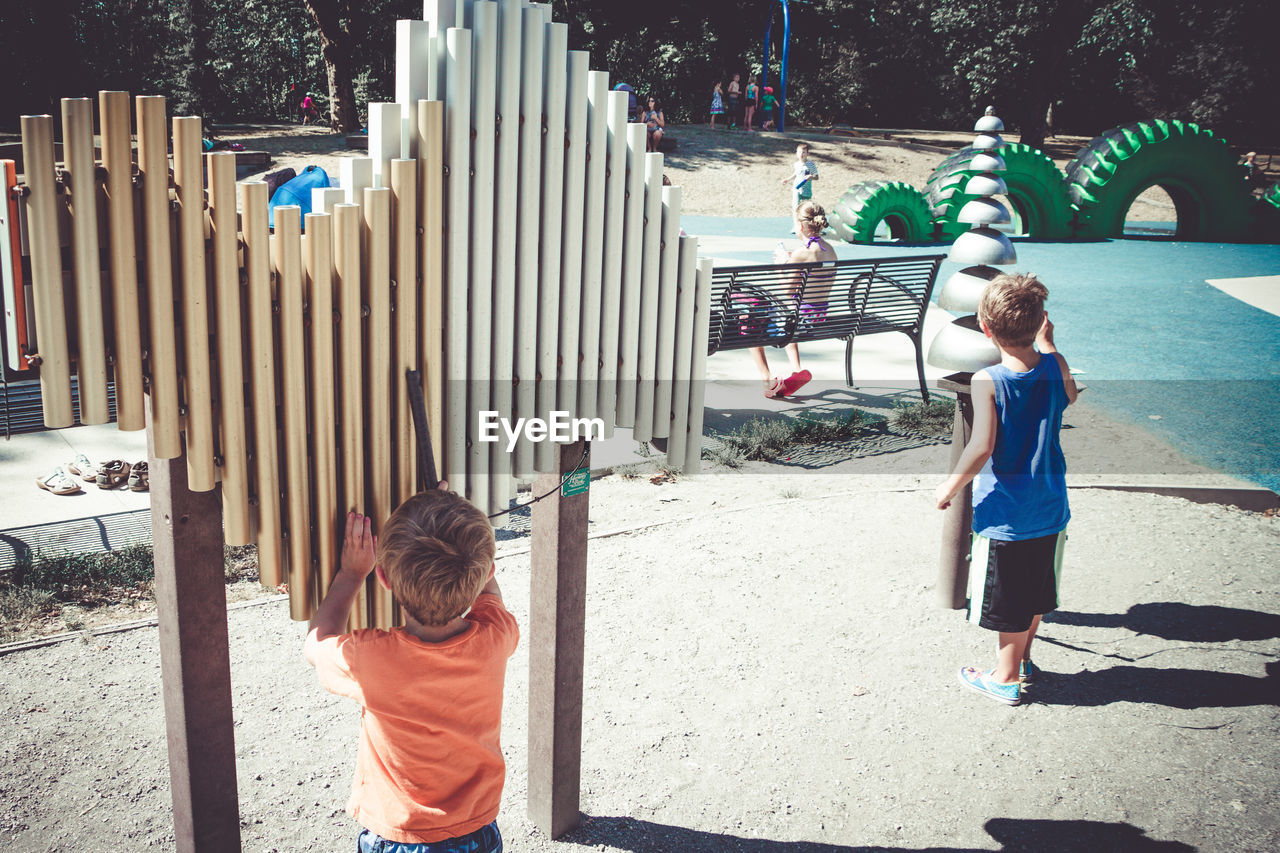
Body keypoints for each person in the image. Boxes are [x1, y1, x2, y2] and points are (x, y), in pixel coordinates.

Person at [305, 486, 519, 852]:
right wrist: (451, 520)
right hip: (478, 830)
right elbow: (489, 593)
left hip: (400, 837)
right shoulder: (496, 637)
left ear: (384, 578)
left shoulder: (370, 658)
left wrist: (351, 575)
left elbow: (316, 642)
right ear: (488, 571)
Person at [934, 273, 1078, 707]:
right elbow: (1070, 395)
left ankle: (1003, 677)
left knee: (1010, 598)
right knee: (1035, 589)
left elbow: (982, 447)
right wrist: (1049, 344)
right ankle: (1023, 660)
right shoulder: (1053, 366)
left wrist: (949, 486)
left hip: (1008, 513)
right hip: (1050, 506)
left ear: (985, 327)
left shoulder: (988, 380)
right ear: (1039, 324)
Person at [748, 200, 838, 399]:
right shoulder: (830, 249)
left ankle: (767, 380)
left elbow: (788, 291)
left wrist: (781, 265)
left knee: (751, 322)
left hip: (801, 319)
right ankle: (796, 369)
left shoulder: (802, 253)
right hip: (818, 316)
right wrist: (792, 262)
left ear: (802, 225)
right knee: (790, 312)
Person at [782, 142, 818, 235]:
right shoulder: (796, 164)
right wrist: (788, 179)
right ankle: (796, 226)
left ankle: (809, 227)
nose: (801, 155)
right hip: (796, 189)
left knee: (807, 210)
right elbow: (796, 174)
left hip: (806, 191)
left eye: (803, 152)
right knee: (795, 208)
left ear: (807, 154)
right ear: (796, 154)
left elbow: (817, 177)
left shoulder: (811, 165)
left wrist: (811, 177)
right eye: (799, 152)